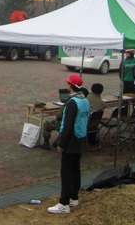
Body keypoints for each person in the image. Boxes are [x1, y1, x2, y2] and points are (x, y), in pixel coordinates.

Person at [47, 74, 90, 214]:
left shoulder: (72, 103)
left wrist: (61, 143)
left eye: (68, 84)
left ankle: (63, 203)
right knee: (75, 170)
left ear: (70, 86)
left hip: (70, 141)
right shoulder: (85, 101)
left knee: (65, 172)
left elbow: (67, 125)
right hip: (80, 138)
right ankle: (74, 198)